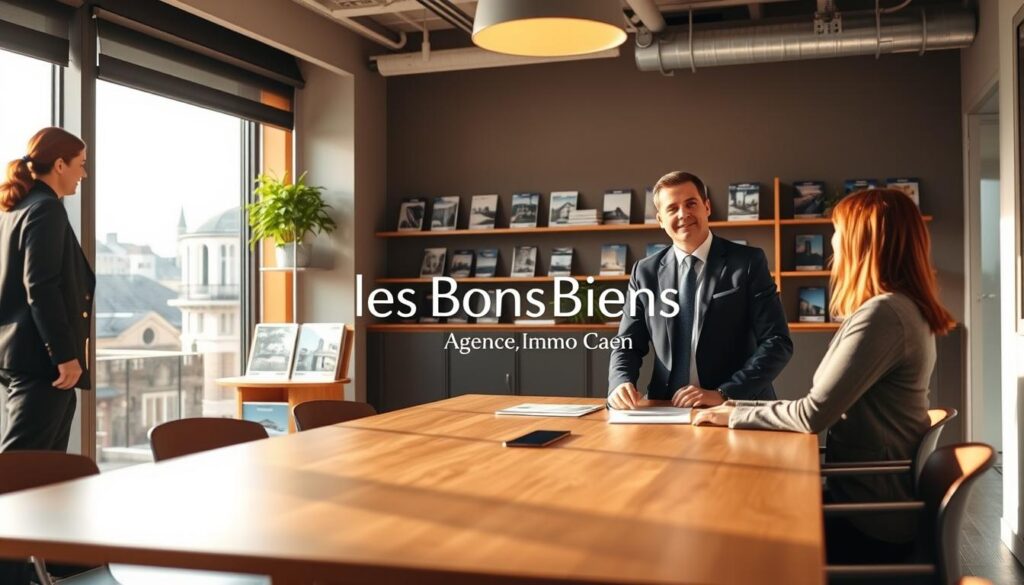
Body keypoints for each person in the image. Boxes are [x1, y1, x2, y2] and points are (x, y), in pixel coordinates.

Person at [692, 188, 955, 561]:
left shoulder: (883, 316)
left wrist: (733, 415)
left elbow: (811, 415)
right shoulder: (901, 309)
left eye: (837, 232)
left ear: (862, 242)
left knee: (735, 532)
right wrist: (734, 405)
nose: (833, 243)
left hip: (868, 522)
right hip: (869, 502)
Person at [607, 171, 792, 409]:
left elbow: (777, 341)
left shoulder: (747, 262)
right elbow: (627, 342)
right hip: (666, 408)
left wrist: (724, 393)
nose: (683, 214)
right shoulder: (644, 272)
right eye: (672, 208)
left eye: (691, 203)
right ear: (661, 220)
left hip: (734, 407)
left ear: (707, 207)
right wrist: (620, 382)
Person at [0, 127, 94, 454]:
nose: (84, 174)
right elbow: (41, 287)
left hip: (21, 354)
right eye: (81, 164)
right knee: (21, 466)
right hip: (43, 362)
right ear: (59, 165)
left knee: (47, 469)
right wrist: (64, 355)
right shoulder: (45, 208)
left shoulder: (14, 210)